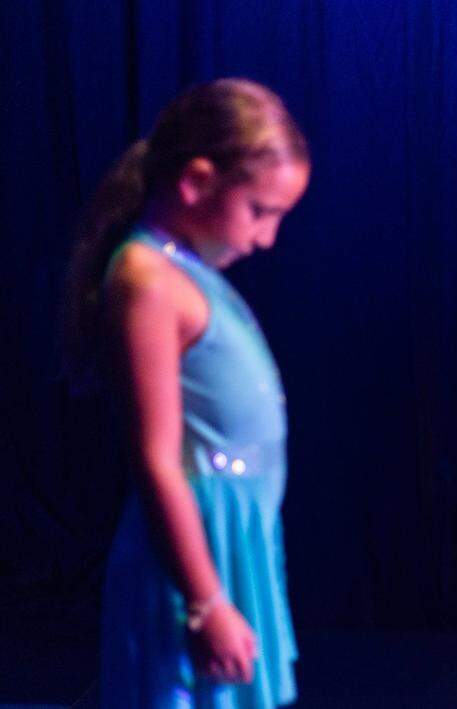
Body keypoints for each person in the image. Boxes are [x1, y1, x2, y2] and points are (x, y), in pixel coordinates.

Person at [64, 78, 310, 706]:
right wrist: (205, 602)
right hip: (193, 556)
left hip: (232, 544)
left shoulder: (187, 271)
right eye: (260, 212)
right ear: (197, 181)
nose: (265, 239)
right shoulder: (146, 279)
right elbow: (156, 459)